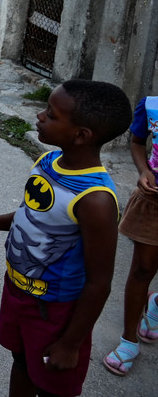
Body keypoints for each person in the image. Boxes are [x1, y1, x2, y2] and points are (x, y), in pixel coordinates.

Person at [0, 81, 133, 397]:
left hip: (54, 310)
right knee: (22, 361)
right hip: (17, 292)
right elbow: (33, 215)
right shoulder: (47, 163)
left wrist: (71, 343)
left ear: (81, 135)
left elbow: (99, 282)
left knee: (53, 384)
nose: (40, 116)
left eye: (51, 115)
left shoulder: (95, 200)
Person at [103, 93, 158, 376]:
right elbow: (137, 143)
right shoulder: (151, 106)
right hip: (154, 202)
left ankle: (156, 302)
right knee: (143, 269)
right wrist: (144, 170)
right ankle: (129, 341)